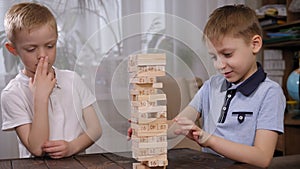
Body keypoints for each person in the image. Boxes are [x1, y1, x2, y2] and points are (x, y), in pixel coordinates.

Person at [128, 4, 285, 168]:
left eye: (227, 54)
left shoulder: (269, 93)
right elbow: (178, 125)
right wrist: (147, 127)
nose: (220, 65)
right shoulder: (211, 86)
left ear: (254, 44)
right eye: (214, 57)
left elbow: (262, 157)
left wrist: (208, 140)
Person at [1, 2, 102, 159]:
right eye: (31, 49)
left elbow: (95, 129)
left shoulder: (72, 79)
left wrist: (72, 147)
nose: (43, 55)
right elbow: (36, 149)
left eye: (50, 45)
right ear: (13, 49)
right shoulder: (12, 94)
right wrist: (40, 98)